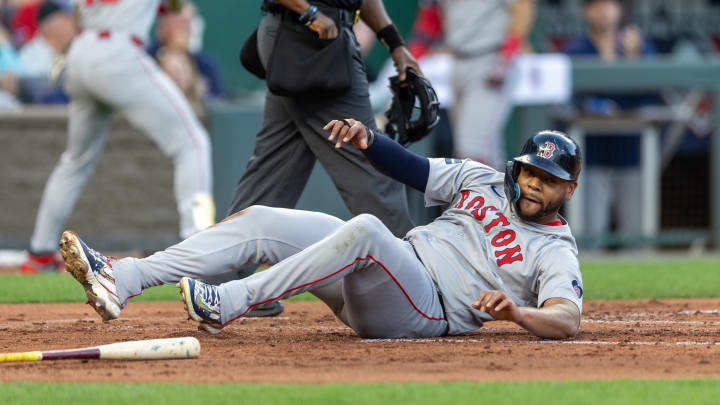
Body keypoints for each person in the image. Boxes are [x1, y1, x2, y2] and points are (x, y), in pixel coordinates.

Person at [59, 120, 584, 340]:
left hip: (427, 311)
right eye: (531, 171)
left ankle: (230, 302)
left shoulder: (555, 248)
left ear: (569, 189)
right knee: (264, 219)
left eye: (550, 179)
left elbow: (567, 319)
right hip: (390, 272)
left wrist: (517, 312)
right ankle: (123, 277)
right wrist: (367, 140)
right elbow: (411, 169)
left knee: (366, 231)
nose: (535, 184)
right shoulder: (484, 180)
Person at [219, 0, 423, 317]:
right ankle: (422, 285)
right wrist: (309, 12)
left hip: (302, 36)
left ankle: (219, 283)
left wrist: (394, 43)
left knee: (272, 174)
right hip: (310, 39)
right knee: (372, 166)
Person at [19, 0, 215, 273]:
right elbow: (176, 9)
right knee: (193, 143)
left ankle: (39, 251)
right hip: (119, 50)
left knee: (75, 160)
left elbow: (78, 13)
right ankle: (198, 245)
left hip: (81, 51)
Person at [564, 0, 658, 249]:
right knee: (589, 238)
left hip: (633, 154)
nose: (605, 10)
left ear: (620, 10)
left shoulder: (637, 45)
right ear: (586, 11)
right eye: (597, 4)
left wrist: (635, 60)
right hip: (590, 155)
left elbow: (655, 94)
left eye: (610, 4)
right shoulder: (577, 48)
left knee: (637, 238)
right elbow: (567, 100)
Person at [410, 0, 535, 169]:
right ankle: (502, 193)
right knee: (486, 150)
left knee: (473, 149)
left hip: (491, 56)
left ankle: (484, 194)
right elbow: (430, 18)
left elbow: (522, 6)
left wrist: (507, 53)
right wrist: (413, 56)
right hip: (458, 59)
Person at [17, 0, 75, 103]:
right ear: (48, 25)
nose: (72, 25)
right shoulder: (30, 54)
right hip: (40, 115)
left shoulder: (72, 52)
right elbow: (36, 91)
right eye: (66, 19)